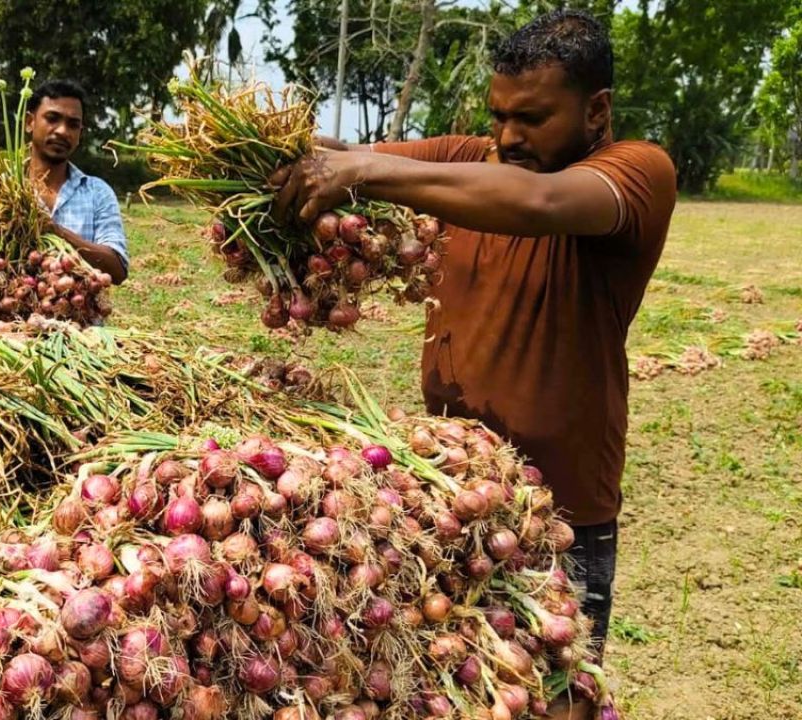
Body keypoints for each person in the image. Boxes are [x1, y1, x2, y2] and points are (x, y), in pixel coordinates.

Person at [270, 7, 677, 705]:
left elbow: (539, 201)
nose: (508, 136)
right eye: (498, 115)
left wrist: (362, 169)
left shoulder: (637, 173)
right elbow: (353, 156)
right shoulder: (473, 159)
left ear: (596, 109)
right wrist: (266, 151)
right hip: (449, 500)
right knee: (458, 692)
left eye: (532, 118)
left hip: (561, 514)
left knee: (555, 698)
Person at [0, 79, 129, 285]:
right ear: (29, 122)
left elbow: (118, 268)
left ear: (80, 134)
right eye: (52, 118)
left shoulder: (97, 192)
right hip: (4, 317)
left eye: (73, 124)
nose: (62, 131)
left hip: (79, 315)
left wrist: (57, 232)